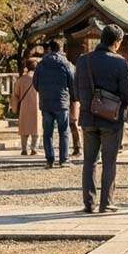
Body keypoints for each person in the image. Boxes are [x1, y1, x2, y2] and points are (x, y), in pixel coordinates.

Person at [76, 24, 128, 212]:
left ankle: (88, 202)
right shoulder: (120, 62)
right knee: (109, 161)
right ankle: (106, 202)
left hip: (87, 116)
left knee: (89, 161)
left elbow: (76, 90)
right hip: (111, 118)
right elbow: (126, 92)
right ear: (117, 42)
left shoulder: (83, 61)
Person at [33, 40, 76, 169]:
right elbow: (72, 82)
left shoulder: (41, 65)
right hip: (62, 102)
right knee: (64, 131)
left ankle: (49, 160)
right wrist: (72, 98)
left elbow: (35, 83)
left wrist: (43, 91)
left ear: (49, 49)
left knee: (48, 133)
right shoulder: (66, 64)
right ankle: (64, 159)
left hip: (46, 102)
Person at [9, 57, 41, 156]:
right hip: (37, 106)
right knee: (36, 128)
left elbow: (15, 95)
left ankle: (24, 149)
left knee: (24, 128)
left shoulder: (21, 80)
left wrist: (14, 107)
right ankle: (34, 148)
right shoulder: (39, 79)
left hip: (24, 106)